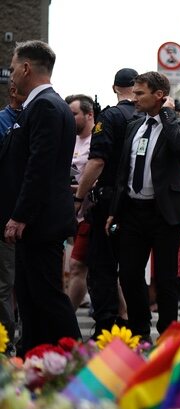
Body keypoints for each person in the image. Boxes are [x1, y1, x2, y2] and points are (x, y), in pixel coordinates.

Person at [1, 40, 82, 355]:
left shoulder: (45, 105)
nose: (11, 75)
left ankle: (81, 362)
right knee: (31, 296)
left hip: (40, 221)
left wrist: (20, 215)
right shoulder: (44, 104)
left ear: (25, 68)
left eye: (12, 68)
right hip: (38, 220)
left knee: (47, 296)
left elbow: (39, 167)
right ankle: (32, 360)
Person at [106, 71, 180, 341]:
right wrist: (114, 210)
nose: (134, 98)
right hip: (133, 212)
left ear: (159, 96)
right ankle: (140, 331)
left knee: (167, 278)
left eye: (140, 93)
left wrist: (167, 115)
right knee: (130, 274)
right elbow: (125, 169)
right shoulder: (134, 126)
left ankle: (168, 334)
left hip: (164, 213)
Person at [74, 68, 138, 337]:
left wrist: (79, 197)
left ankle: (107, 325)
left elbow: (97, 161)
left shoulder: (109, 117)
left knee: (103, 266)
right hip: (141, 202)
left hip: (110, 201)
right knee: (134, 267)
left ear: (115, 88)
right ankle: (136, 325)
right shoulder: (148, 116)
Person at [0, 82, 26, 354]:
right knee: (6, 283)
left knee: (27, 282)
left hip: (35, 216)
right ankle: (7, 342)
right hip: (7, 214)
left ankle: (25, 339)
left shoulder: (38, 118)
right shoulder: (3, 122)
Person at [65, 94, 95, 310]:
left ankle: (66, 321)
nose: (69, 118)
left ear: (89, 115)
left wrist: (79, 190)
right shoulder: (70, 139)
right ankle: (123, 315)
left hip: (91, 213)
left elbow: (100, 175)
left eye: (74, 114)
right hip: (71, 214)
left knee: (77, 266)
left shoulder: (98, 140)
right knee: (85, 268)